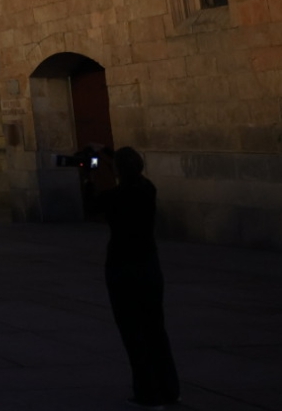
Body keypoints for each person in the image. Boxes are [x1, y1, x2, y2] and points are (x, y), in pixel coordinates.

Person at [96, 147, 180, 409]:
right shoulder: (147, 188)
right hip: (149, 265)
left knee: (133, 332)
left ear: (118, 170)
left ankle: (147, 392)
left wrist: (98, 173)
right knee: (155, 328)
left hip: (123, 267)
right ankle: (169, 388)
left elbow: (102, 202)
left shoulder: (114, 197)